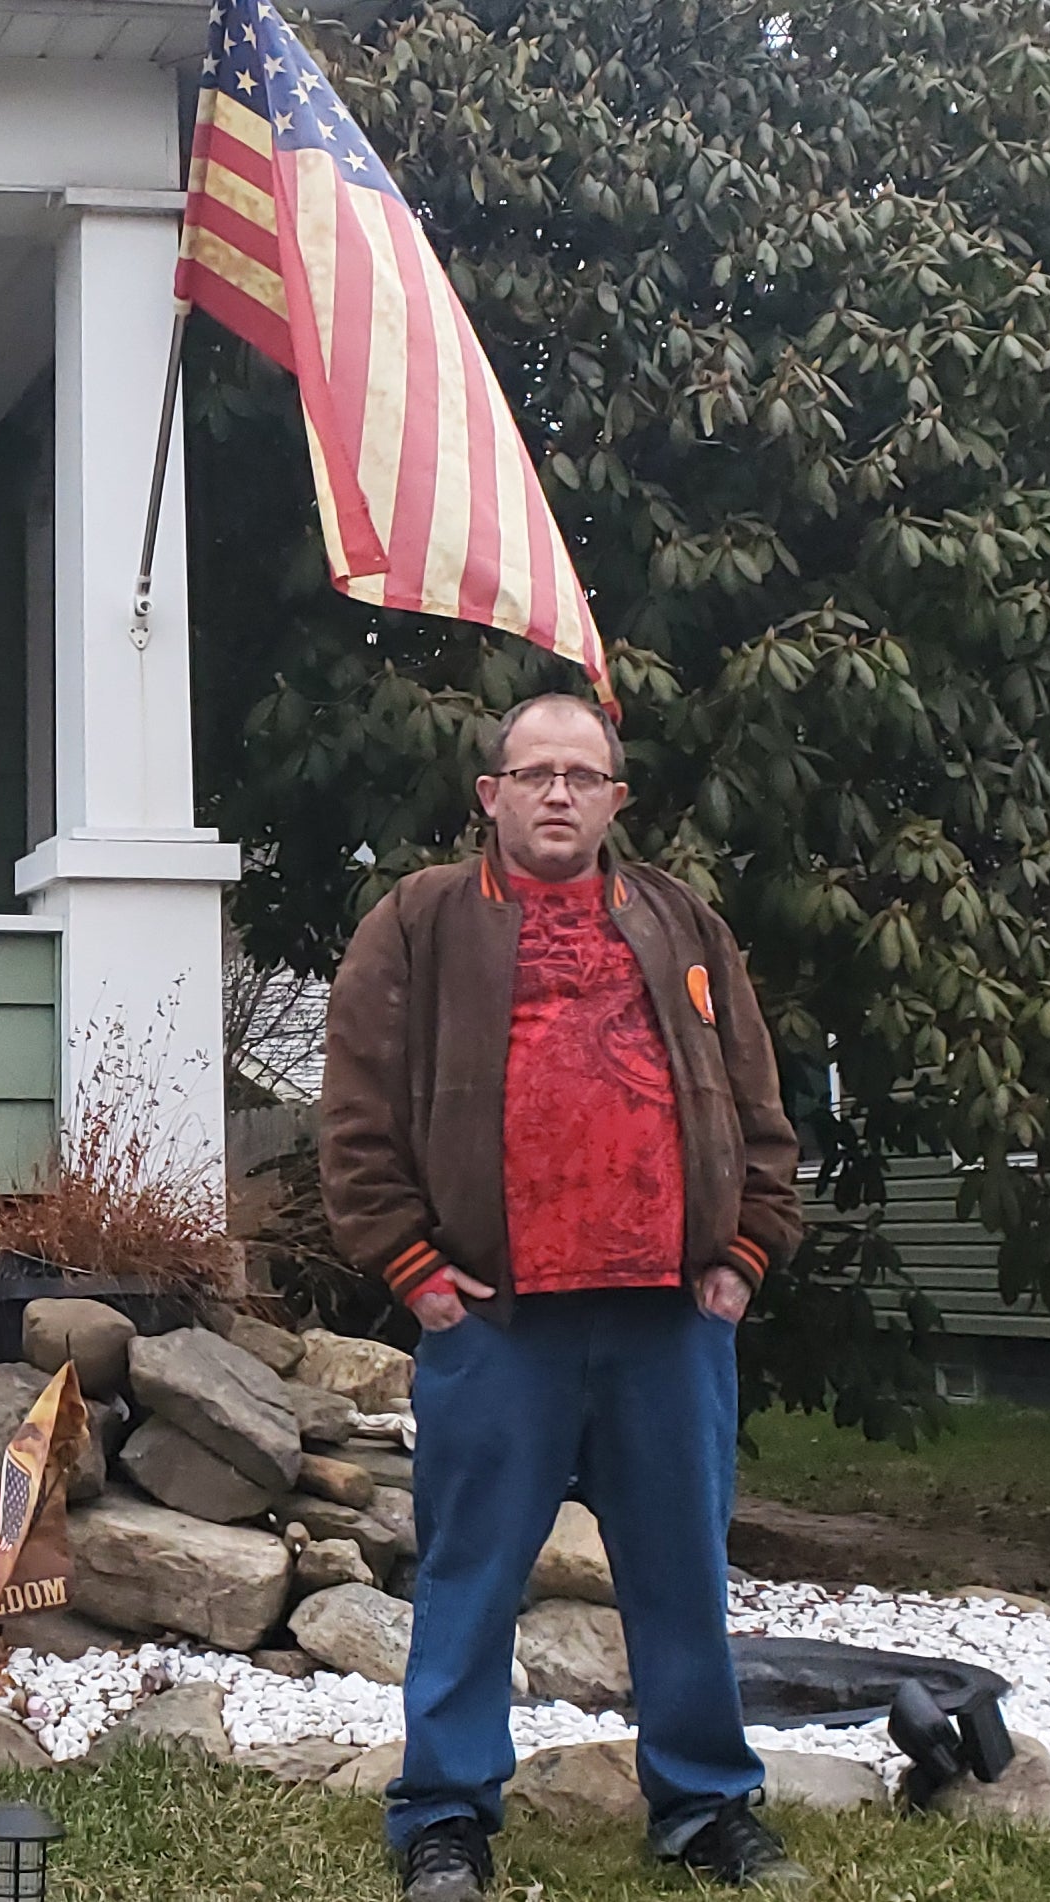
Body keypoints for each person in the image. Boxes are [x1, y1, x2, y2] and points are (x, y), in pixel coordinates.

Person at [319, 693, 808, 1901]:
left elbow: (758, 1107)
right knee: (471, 1570)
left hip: (667, 1320)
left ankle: (704, 1808)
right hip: (496, 1322)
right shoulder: (421, 921)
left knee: (683, 1572)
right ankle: (443, 1817)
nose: (556, 794)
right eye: (532, 774)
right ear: (489, 796)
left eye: (581, 776)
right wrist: (413, 1272)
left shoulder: (680, 921)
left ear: (613, 800)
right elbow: (356, 1116)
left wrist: (745, 1253)